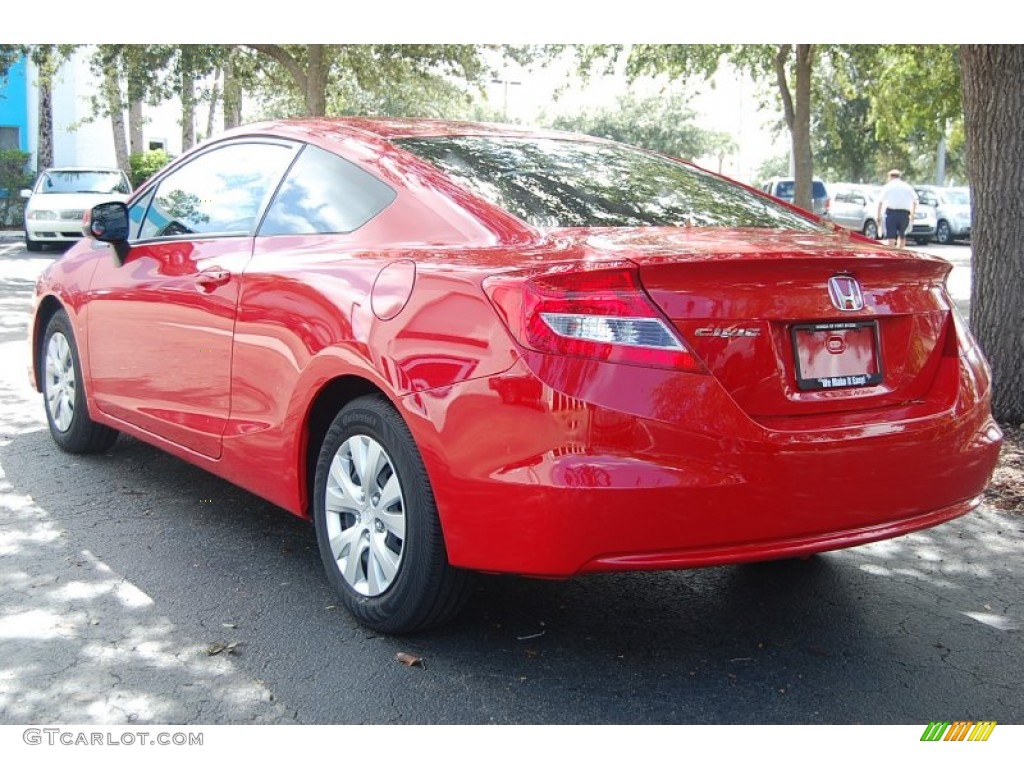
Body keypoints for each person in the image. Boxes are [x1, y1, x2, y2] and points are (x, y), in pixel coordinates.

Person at [876, 169, 917, 247]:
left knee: (891, 236)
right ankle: (901, 251)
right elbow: (915, 201)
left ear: (890, 177)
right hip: (904, 214)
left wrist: (878, 216)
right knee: (902, 235)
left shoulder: (888, 186)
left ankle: (893, 253)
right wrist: (912, 215)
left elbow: (880, 202)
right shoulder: (907, 186)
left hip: (891, 213)